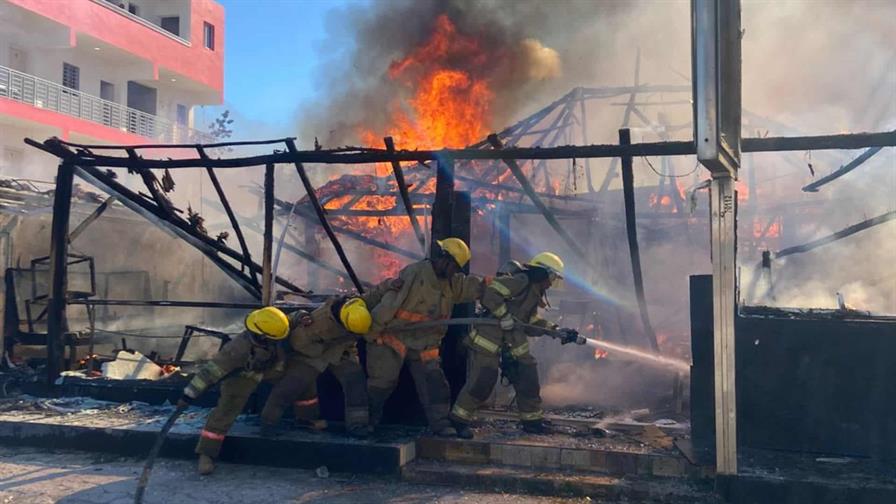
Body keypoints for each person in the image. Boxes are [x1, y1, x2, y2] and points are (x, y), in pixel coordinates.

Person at [449, 252, 580, 437]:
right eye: (551, 277)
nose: (551, 283)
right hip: (489, 339)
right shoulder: (521, 281)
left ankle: (532, 421)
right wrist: (503, 315)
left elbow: (531, 323)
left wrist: (556, 330)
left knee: (528, 375)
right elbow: (490, 293)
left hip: (514, 341)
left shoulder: (534, 292)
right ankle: (458, 421)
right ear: (542, 272)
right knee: (482, 381)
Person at [365, 238, 484, 437]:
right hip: (393, 336)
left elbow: (470, 287)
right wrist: (372, 331)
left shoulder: (451, 282)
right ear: (445, 261)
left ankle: (440, 423)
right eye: (454, 267)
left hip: (425, 341)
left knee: (434, 382)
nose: (455, 273)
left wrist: (496, 285)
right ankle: (368, 421)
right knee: (381, 382)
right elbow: (390, 304)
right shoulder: (415, 274)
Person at [258, 276, 401, 437]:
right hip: (312, 354)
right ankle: (268, 423)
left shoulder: (357, 307)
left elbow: (375, 293)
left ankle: (358, 425)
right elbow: (299, 344)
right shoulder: (317, 323)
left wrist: (391, 284)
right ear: (344, 322)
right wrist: (320, 357)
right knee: (290, 386)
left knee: (355, 382)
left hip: (342, 351)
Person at [179, 306, 290, 475]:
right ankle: (206, 454)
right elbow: (209, 373)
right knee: (227, 410)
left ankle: (308, 419)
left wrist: (303, 316)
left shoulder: (274, 330)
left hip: (271, 370)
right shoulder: (236, 350)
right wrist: (188, 395)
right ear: (262, 336)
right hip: (243, 377)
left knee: (299, 381)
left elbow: (293, 320)